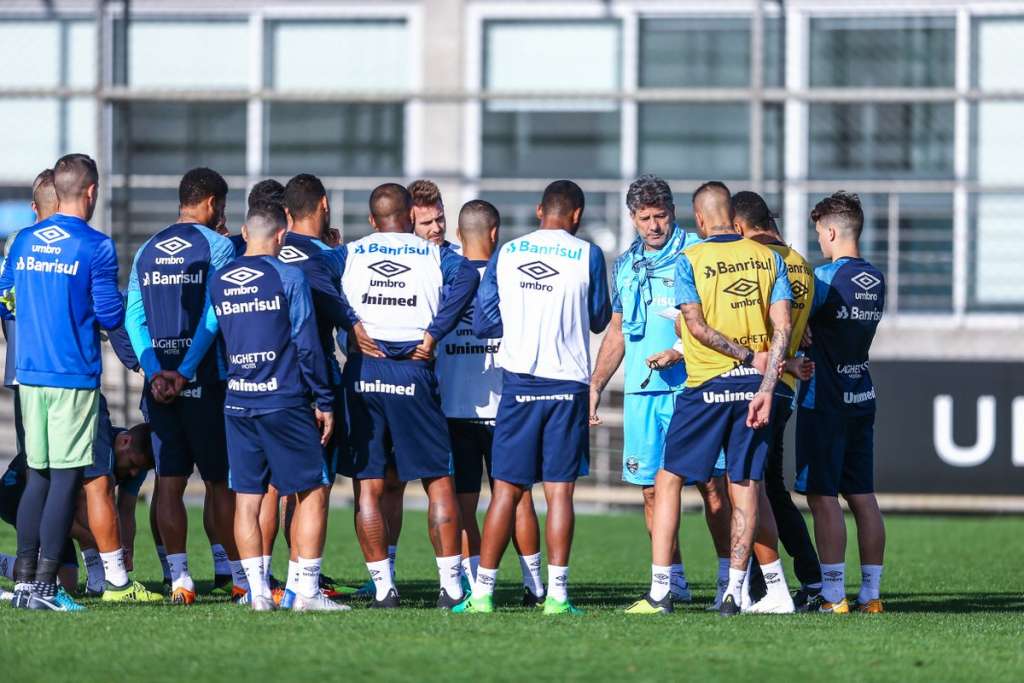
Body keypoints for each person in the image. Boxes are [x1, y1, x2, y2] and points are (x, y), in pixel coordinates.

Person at [636, 181, 792, 617]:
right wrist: (764, 383)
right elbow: (781, 330)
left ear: (700, 219)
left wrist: (741, 355)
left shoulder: (691, 258)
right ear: (732, 216)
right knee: (744, 487)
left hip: (705, 388)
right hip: (755, 392)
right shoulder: (768, 258)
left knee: (667, 480)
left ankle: (662, 590)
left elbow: (697, 328)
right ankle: (734, 592)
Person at [458, 180, 611, 615]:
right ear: (577, 216)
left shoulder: (508, 252)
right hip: (568, 386)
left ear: (539, 210)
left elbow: (486, 321)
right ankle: (557, 596)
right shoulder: (588, 255)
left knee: (505, 492)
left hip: (520, 384)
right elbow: (599, 317)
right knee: (559, 496)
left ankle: (483, 594)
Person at [338, 183, 479, 609]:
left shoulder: (349, 252)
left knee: (369, 486)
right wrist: (434, 333)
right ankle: (450, 586)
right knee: (438, 479)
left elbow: (311, 272)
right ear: (407, 216)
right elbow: (470, 275)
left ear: (371, 219)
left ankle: (383, 588)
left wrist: (350, 322)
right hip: (413, 369)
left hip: (364, 371)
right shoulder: (435, 255)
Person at [0, 153, 124, 610]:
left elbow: (5, 298)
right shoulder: (96, 246)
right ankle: (48, 588)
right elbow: (110, 314)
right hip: (71, 376)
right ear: (90, 192)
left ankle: (25, 587)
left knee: (37, 477)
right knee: (66, 481)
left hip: (29, 374)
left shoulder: (24, 241)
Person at [206, 201, 343, 612]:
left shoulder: (219, 281)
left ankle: (258, 594)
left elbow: (219, 342)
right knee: (313, 491)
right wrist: (324, 398)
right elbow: (306, 342)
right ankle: (307, 592)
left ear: (245, 234)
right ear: (282, 237)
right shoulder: (289, 275)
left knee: (247, 498)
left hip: (238, 402)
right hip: (283, 400)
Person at [124, 167, 242, 605]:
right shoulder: (219, 246)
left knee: (169, 483)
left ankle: (180, 579)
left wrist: (156, 370)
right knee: (218, 483)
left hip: (159, 388)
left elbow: (132, 317)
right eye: (222, 207)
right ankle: (235, 576)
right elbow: (217, 314)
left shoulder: (147, 249)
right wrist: (187, 370)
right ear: (211, 203)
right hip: (205, 383)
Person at [590, 175, 700, 607]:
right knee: (651, 490)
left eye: (661, 216)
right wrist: (596, 384)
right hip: (641, 391)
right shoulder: (626, 264)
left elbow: (712, 319)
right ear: (632, 218)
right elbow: (617, 332)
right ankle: (673, 580)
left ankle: (735, 581)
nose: (654, 226)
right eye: (644, 218)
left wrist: (678, 349)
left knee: (712, 486)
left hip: (692, 388)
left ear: (674, 213)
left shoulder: (695, 252)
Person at [434, 200, 547, 604]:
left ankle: (478, 586)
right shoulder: (513, 276)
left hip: (455, 408)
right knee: (518, 499)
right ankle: (535, 587)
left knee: (465, 503)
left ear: (460, 234)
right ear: (495, 233)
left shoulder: (445, 276)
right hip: (507, 409)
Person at [796, 192, 887, 614]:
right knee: (863, 495)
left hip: (825, 397)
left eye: (819, 234)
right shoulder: (876, 279)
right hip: (861, 392)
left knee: (822, 495)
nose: (819, 241)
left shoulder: (824, 279)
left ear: (831, 231)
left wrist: (800, 330)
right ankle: (871, 594)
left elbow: (792, 323)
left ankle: (833, 594)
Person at [731, 191, 822, 611]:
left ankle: (762, 585)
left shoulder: (754, 261)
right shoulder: (802, 264)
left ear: (738, 226)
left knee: (751, 487)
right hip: (786, 385)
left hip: (755, 383)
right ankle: (806, 576)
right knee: (769, 485)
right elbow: (802, 328)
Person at [274, 173, 352, 605]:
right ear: (323, 204)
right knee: (314, 488)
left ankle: (266, 582)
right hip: (311, 384)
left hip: (260, 384)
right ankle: (305, 587)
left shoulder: (266, 255)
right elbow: (345, 318)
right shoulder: (327, 258)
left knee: (270, 489)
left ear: (286, 213)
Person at [77, 395, 162, 602]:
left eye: (139, 469)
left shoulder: (136, 467)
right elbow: (75, 508)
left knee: (68, 583)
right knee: (88, 523)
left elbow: (126, 510)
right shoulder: (99, 450)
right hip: (22, 495)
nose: (133, 473)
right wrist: (92, 540)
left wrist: (126, 548)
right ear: (125, 441)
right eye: (133, 464)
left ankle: (97, 582)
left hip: (63, 516)